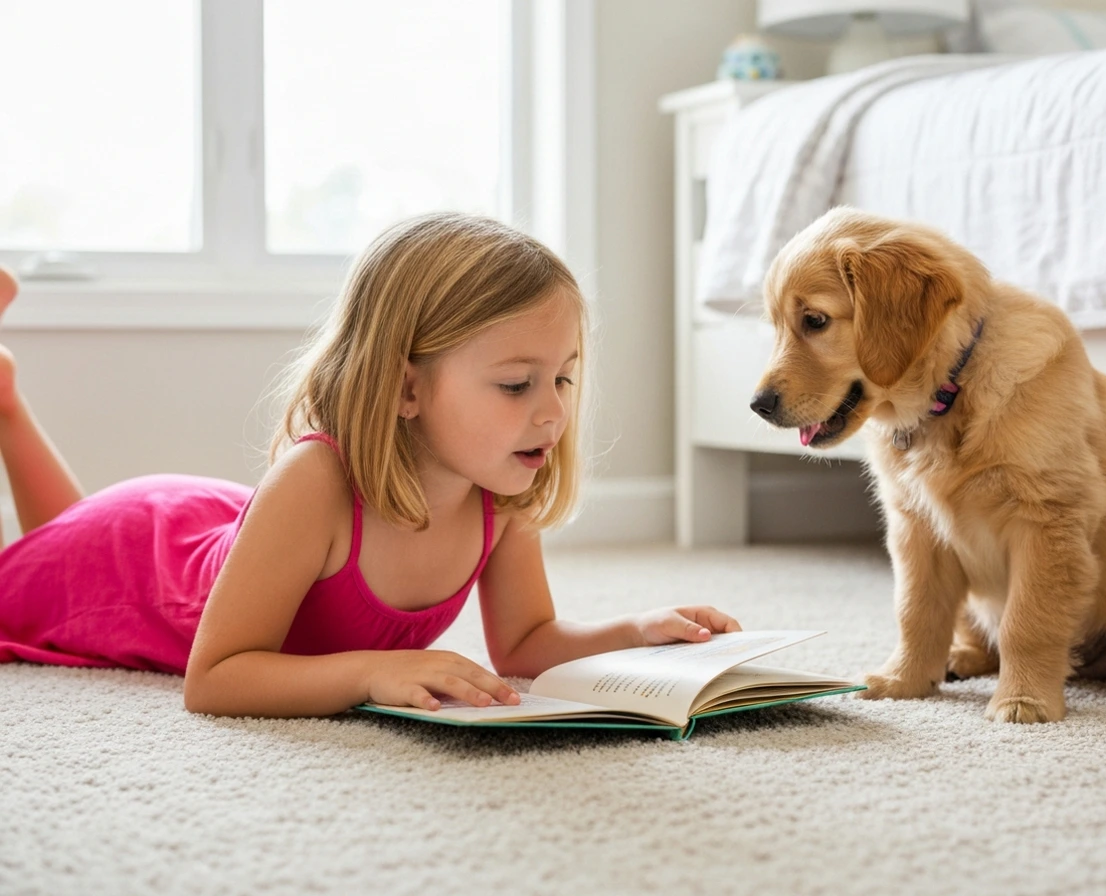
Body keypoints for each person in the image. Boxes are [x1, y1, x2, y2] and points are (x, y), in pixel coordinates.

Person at [0, 213, 741, 717]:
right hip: (137, 559)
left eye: (565, 378)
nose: (552, 411)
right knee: (44, 572)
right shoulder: (316, 480)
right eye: (517, 384)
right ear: (407, 386)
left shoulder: (501, 483)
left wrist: (636, 630)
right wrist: (368, 672)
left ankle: (4, 402)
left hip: (219, 533)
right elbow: (214, 677)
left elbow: (526, 642)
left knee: (50, 548)